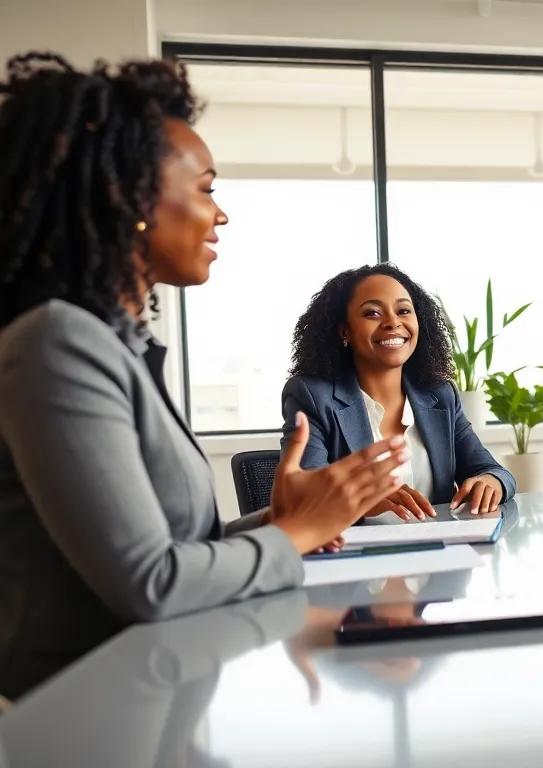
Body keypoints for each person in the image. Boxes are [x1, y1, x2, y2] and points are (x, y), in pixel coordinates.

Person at [0, 52, 408, 697]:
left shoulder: (119, 344)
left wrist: (283, 516)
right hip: (89, 718)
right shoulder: (58, 343)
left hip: (157, 700)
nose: (220, 215)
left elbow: (181, 546)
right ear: (130, 197)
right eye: (206, 188)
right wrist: (299, 530)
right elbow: (153, 583)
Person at [282, 263, 515, 519]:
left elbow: (494, 471)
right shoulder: (312, 396)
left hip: (442, 551)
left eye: (404, 311)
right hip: (353, 554)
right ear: (344, 330)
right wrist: (362, 496)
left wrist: (491, 483)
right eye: (372, 313)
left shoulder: (440, 395)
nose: (393, 322)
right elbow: (305, 493)